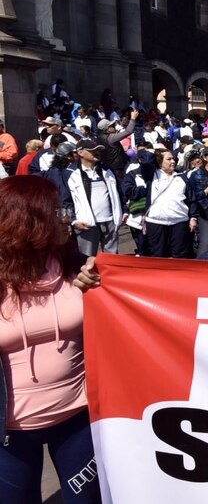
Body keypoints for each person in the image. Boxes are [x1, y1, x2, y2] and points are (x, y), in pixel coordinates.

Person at [0, 176, 101, 503]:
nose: (64, 218)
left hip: (78, 419)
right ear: (27, 222)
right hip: (10, 435)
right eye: (55, 211)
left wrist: (98, 286)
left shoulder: (76, 266)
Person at [134, 149, 196, 258]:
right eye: (169, 159)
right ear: (159, 161)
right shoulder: (151, 175)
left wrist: (193, 218)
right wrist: (153, 151)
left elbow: (191, 199)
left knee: (180, 255)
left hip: (179, 222)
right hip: (156, 223)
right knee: (158, 255)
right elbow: (144, 159)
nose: (173, 161)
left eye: (173, 159)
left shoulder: (182, 177)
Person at [66, 139, 122, 256]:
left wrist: (123, 211)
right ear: (80, 152)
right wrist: (74, 220)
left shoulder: (107, 170)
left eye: (98, 150)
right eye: (92, 150)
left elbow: (118, 192)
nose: (97, 152)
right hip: (86, 224)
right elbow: (66, 201)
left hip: (110, 221)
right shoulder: (70, 173)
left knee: (111, 259)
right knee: (86, 259)